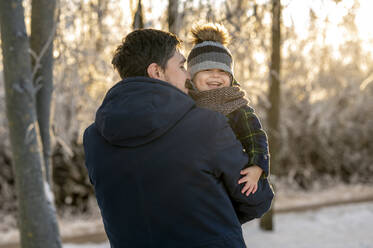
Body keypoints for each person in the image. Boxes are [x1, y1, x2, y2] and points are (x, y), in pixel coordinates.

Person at [83, 28, 273, 248]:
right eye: (181, 66)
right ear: (156, 71)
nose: (187, 75)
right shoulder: (206, 125)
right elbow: (256, 199)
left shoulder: (94, 138)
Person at [186, 23, 270, 197]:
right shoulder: (184, 104)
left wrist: (257, 167)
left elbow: (256, 137)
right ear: (193, 76)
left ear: (230, 77)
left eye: (223, 72)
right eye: (207, 70)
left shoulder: (237, 105)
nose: (216, 76)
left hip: (229, 180)